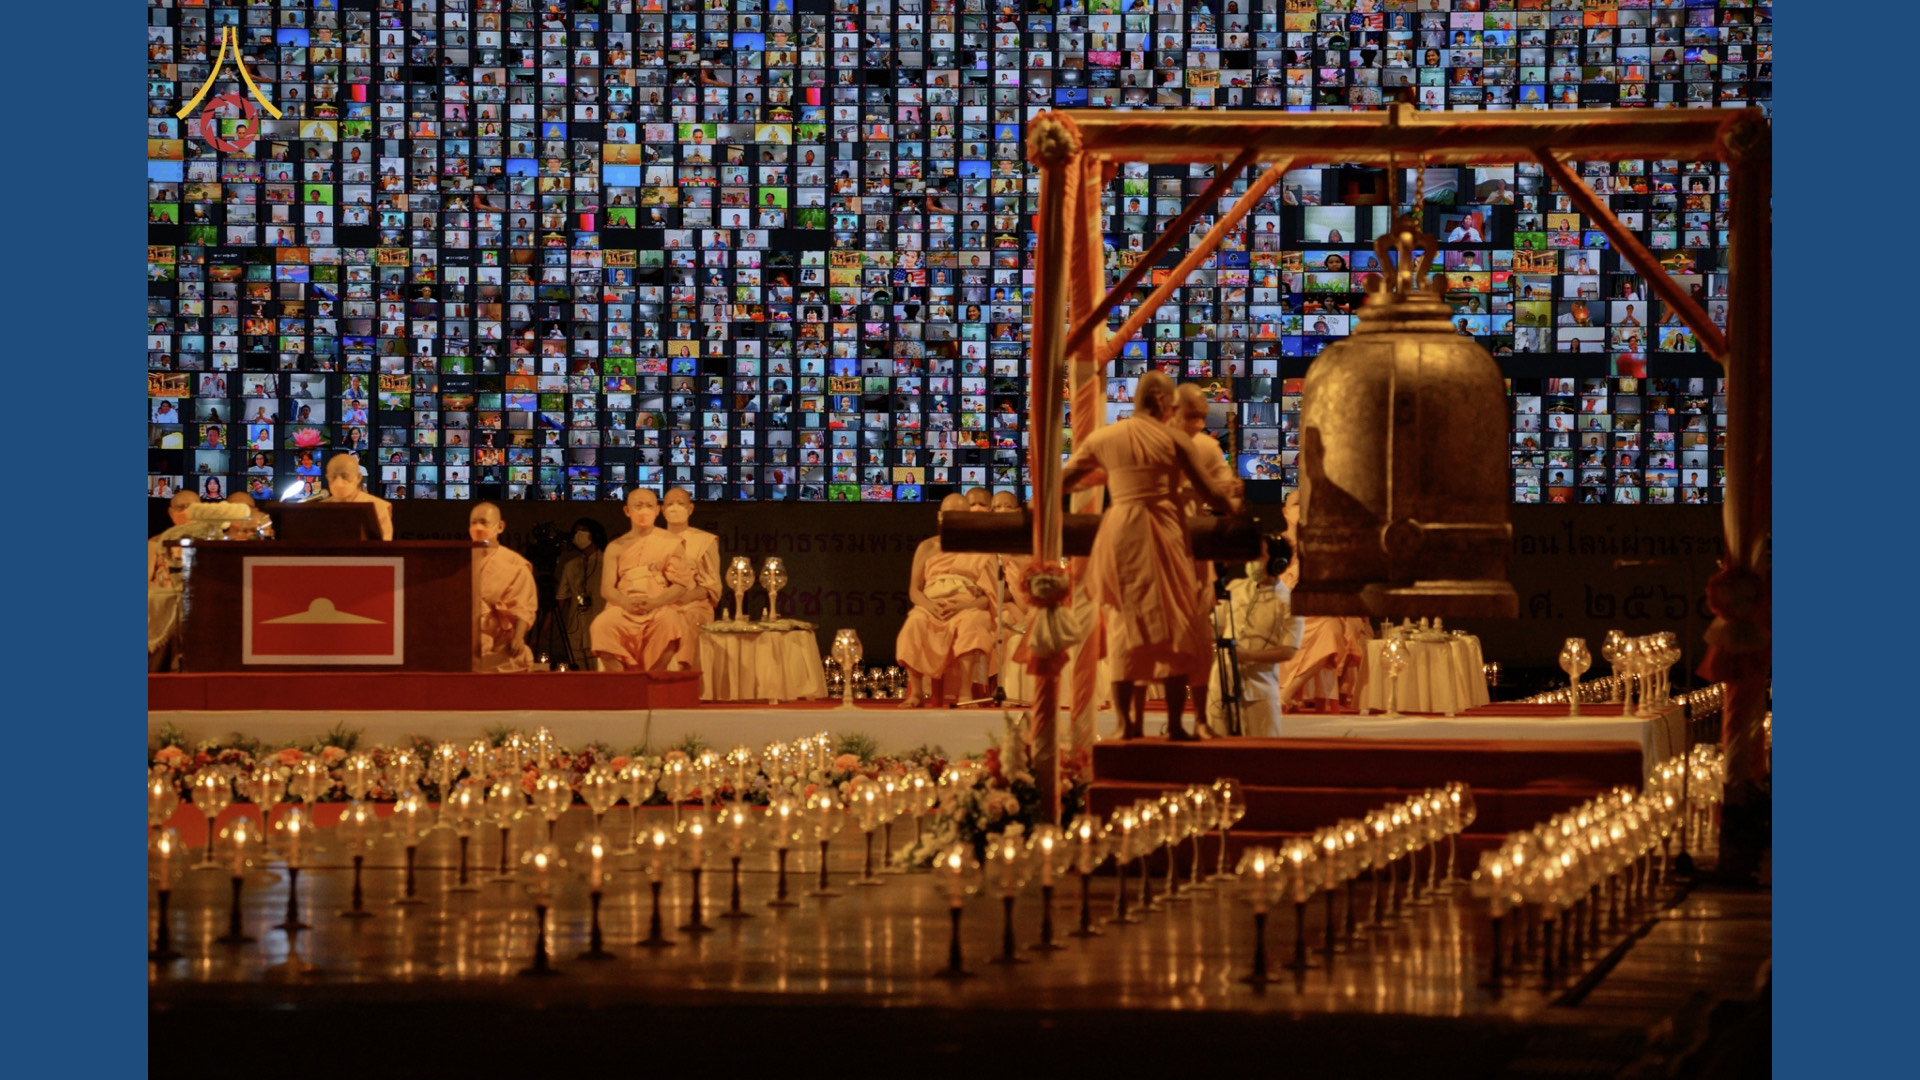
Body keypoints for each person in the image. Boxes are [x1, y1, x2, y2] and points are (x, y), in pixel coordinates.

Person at [1061, 371, 1242, 741]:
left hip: (1120, 533)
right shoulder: (1175, 440)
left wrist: (1036, 512)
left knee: (1124, 624)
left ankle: (1126, 725)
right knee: (1176, 624)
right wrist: (1235, 508)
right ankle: (1174, 724)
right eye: (1174, 406)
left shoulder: (1104, 437)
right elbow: (1213, 494)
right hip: (1164, 531)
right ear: (1161, 401)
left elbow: (1059, 481)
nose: (1176, 413)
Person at [1170, 382, 1237, 735]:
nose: (1197, 423)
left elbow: (1225, 492)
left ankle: (1200, 719)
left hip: (1193, 548)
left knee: (1198, 638)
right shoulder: (1151, 440)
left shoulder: (1207, 446)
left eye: (1202, 417)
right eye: (1191, 416)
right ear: (1171, 410)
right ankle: (1164, 721)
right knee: (1160, 638)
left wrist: (1233, 494)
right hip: (1156, 544)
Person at [895, 493, 998, 707]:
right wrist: (929, 606)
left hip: (967, 607)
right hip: (931, 606)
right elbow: (914, 590)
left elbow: (986, 599)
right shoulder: (927, 547)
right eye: (949, 514)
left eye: (960, 514)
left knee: (973, 623)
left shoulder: (981, 549)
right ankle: (916, 694)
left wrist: (964, 605)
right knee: (914, 624)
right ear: (940, 516)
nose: (953, 518)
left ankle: (965, 693)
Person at [590, 488, 698, 672]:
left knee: (672, 622)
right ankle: (623, 683)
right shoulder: (615, 547)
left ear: (657, 510)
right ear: (627, 511)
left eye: (649, 506)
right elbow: (607, 589)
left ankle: (652, 680)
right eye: (638, 506)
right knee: (601, 625)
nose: (644, 511)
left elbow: (680, 585)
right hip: (624, 607)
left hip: (658, 607)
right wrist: (625, 602)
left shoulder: (671, 542)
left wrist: (655, 602)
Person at [1207, 534, 1303, 737]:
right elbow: (1216, 625)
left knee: (1260, 751)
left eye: (1259, 556)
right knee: (1216, 747)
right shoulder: (1235, 588)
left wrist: (1247, 656)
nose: (1252, 561)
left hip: (1260, 690)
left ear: (1277, 563)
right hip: (1221, 683)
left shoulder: (1289, 602)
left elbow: (1288, 650)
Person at [469, 502, 538, 672]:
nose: (478, 527)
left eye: (484, 522)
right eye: (473, 522)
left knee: (519, 657)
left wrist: (518, 638)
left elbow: (522, 608)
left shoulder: (514, 564)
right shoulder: (460, 560)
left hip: (497, 639)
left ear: (500, 527)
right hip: (465, 636)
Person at [660, 486, 720, 669]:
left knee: (685, 620)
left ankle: (685, 672)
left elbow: (711, 586)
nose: (674, 508)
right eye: (670, 504)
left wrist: (683, 598)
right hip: (659, 603)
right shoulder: (652, 540)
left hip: (693, 605)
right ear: (662, 509)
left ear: (690, 508)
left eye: (680, 503)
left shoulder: (704, 541)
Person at [149, 491, 200, 671]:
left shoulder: (214, 542)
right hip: (164, 606)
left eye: (192, 507)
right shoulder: (155, 544)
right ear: (171, 513)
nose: (186, 512)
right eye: (181, 507)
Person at [555, 517, 609, 667]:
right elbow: (561, 599)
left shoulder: (607, 562)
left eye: (583, 530)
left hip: (600, 631)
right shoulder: (571, 566)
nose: (579, 534)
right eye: (576, 531)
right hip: (576, 631)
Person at [321, 452, 394, 540]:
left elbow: (383, 546)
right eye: (333, 476)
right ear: (327, 477)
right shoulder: (319, 509)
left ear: (358, 477)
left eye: (345, 476)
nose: (338, 482)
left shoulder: (379, 507)